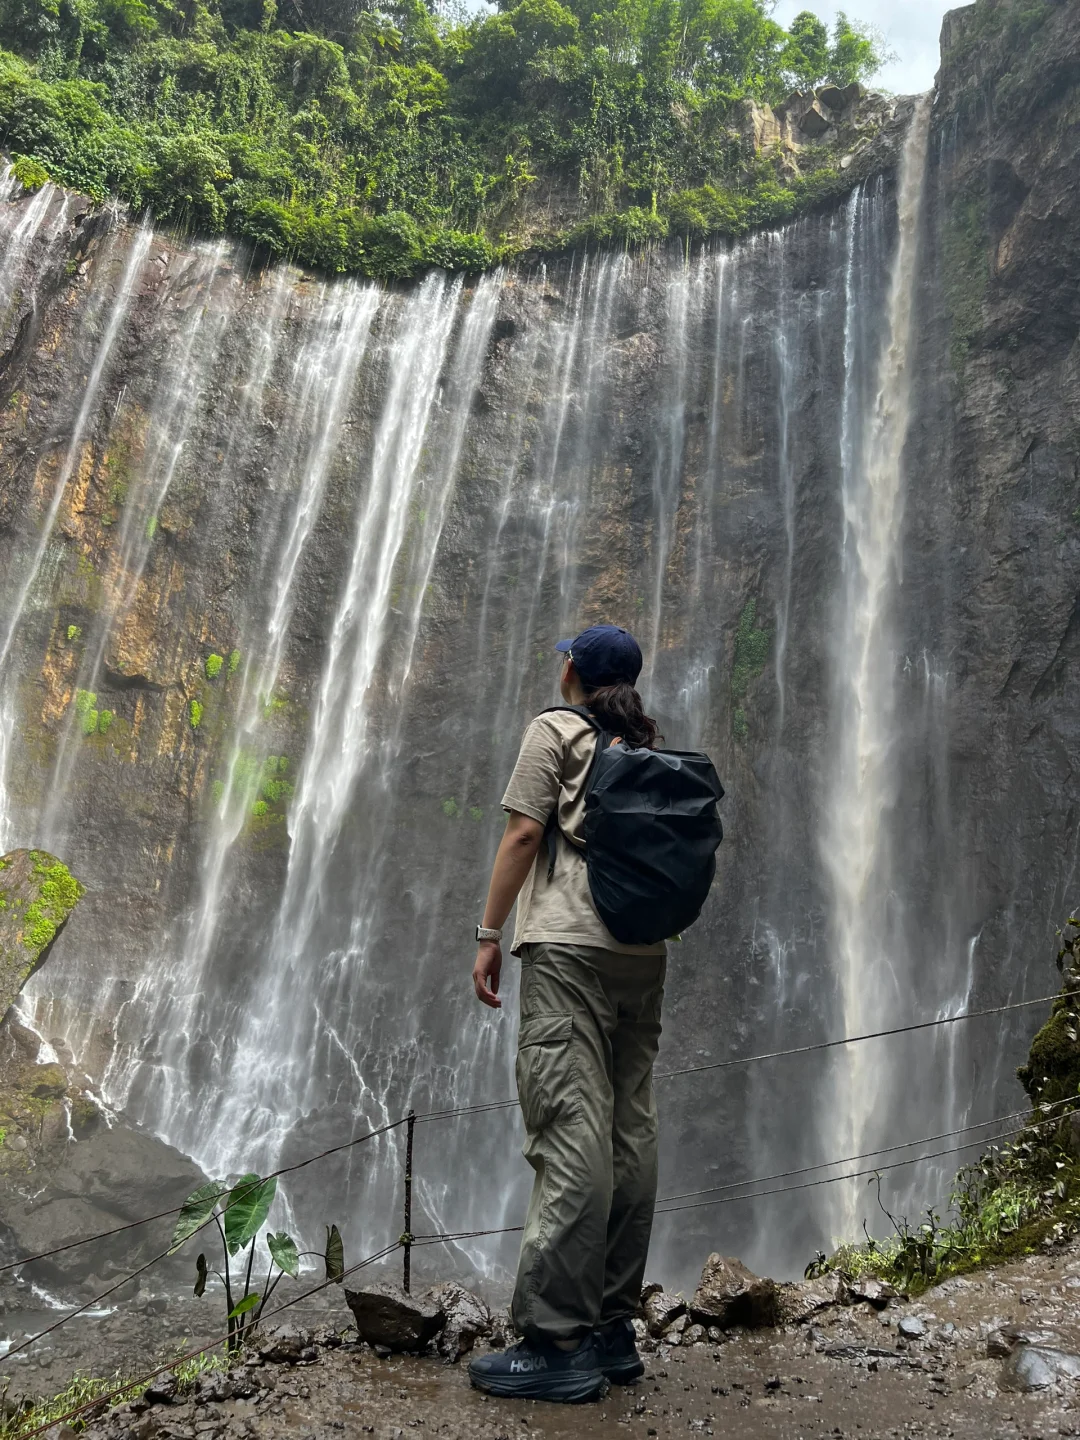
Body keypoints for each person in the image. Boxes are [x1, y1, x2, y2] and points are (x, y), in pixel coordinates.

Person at [467, 623, 667, 1404]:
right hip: (642, 952)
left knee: (569, 1128)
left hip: (571, 950)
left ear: (573, 671)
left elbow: (524, 833)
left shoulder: (555, 730)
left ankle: (556, 1341)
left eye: (564, 659)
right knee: (629, 1129)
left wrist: (489, 935)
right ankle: (613, 1328)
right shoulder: (645, 746)